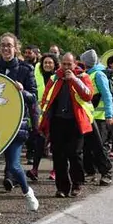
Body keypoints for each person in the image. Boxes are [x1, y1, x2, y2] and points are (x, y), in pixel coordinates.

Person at [0, 33, 40, 218]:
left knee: (13, 165)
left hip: (16, 125)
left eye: (9, 45)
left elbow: (34, 97)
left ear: (16, 48)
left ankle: (27, 192)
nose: (5, 48)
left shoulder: (25, 69)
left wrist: (23, 91)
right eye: (2, 45)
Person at [40, 53, 95, 198]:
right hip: (58, 121)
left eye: (69, 64)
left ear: (75, 63)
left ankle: (77, 184)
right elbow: (45, 98)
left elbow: (88, 95)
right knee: (58, 156)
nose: (66, 67)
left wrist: (74, 80)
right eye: (63, 64)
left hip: (76, 122)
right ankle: (62, 187)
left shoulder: (83, 77)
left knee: (74, 154)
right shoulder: (54, 78)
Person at [79, 49, 113, 186]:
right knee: (86, 146)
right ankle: (90, 172)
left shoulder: (98, 74)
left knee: (99, 147)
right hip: (88, 117)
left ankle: (106, 173)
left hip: (99, 118)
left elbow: (107, 95)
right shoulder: (87, 74)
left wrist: (109, 115)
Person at [27, 53, 57, 181]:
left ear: (55, 64)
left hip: (56, 114)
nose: (47, 65)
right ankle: (34, 169)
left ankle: (55, 170)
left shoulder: (59, 77)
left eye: (50, 63)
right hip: (41, 114)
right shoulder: (36, 76)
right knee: (39, 142)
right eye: (45, 63)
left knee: (56, 144)